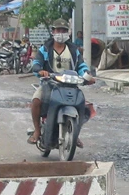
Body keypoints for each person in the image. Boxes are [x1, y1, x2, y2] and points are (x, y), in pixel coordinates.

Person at [28, 18, 95, 148]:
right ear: (53, 32)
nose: (61, 33)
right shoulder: (45, 49)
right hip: (49, 84)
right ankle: (37, 131)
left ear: (68, 33)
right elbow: (36, 64)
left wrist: (87, 75)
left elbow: (81, 66)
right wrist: (40, 71)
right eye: (58, 30)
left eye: (64, 30)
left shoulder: (73, 50)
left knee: (82, 104)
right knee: (36, 101)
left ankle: (75, 133)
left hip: (70, 84)